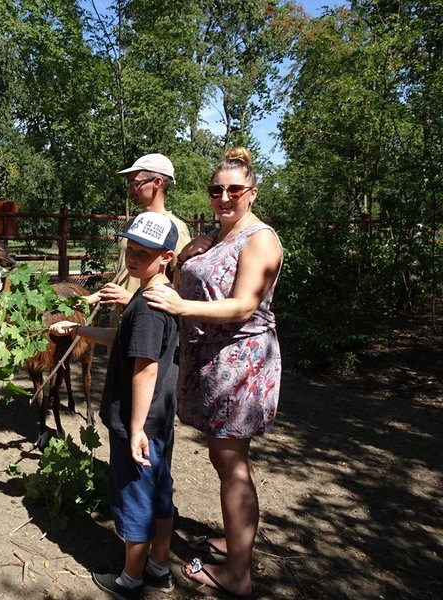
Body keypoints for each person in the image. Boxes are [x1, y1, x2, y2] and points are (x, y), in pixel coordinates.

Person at [142, 147, 283, 598]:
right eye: (216, 190)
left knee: (232, 462)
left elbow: (243, 304)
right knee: (224, 459)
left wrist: (182, 306)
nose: (224, 197)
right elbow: (196, 274)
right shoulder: (218, 236)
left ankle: (237, 574)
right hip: (210, 361)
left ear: (252, 193)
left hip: (239, 363)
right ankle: (234, 542)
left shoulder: (259, 239)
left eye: (234, 190)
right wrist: (186, 254)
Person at [50, 211, 181, 600]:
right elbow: (122, 338)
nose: (134, 258)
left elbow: (144, 368)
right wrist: (77, 329)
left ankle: (130, 580)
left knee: (135, 497)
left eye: (145, 252)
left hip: (136, 422)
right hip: (160, 418)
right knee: (160, 491)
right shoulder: (156, 296)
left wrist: (135, 427)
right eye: (131, 249)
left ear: (166, 258)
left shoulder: (145, 307)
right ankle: (159, 566)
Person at [85, 153, 192, 327]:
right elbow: (124, 277)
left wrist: (132, 299)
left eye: (135, 184)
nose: (129, 191)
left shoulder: (175, 229)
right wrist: (89, 299)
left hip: (148, 326)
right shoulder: (132, 225)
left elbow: (182, 289)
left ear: (157, 183)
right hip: (123, 325)